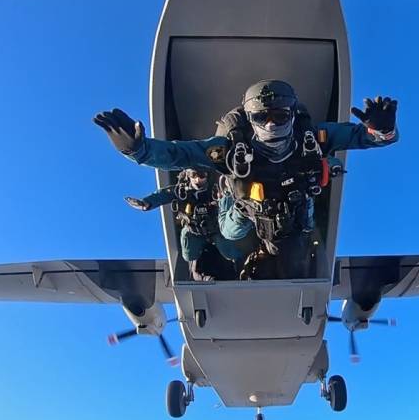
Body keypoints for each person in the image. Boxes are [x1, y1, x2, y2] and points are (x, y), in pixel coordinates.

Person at [93, 79, 399, 279]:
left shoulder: (313, 138)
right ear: (250, 120)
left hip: (294, 203)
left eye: (280, 116)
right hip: (245, 207)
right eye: (262, 117)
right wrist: (138, 150)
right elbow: (179, 155)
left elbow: (366, 137)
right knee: (231, 233)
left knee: (302, 235)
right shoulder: (228, 150)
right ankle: (226, 199)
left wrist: (382, 130)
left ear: (292, 114)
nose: (271, 124)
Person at [124, 168, 239, 281]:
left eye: (201, 176)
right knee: (189, 254)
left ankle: (238, 266)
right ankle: (197, 267)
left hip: (217, 229)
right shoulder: (181, 191)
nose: (197, 180)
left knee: (231, 252)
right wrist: (146, 203)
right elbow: (163, 195)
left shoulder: (217, 187)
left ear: (207, 176)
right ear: (188, 176)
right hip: (193, 230)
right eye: (193, 175)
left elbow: (231, 190)